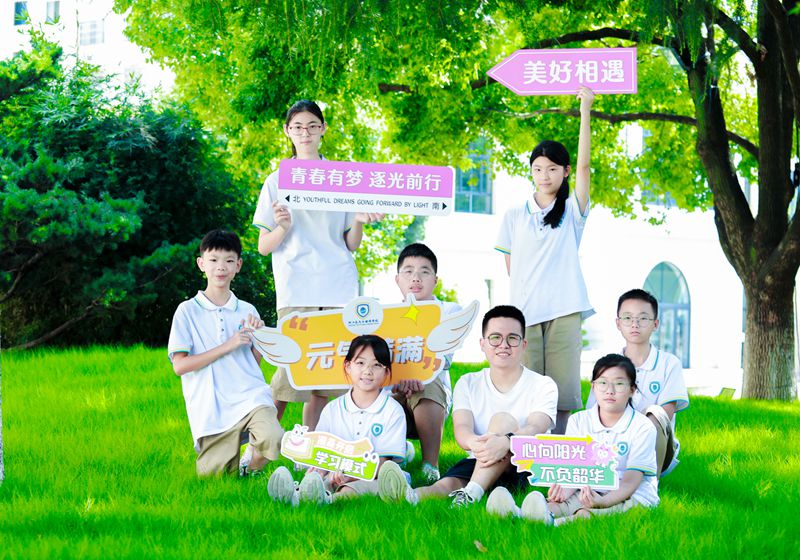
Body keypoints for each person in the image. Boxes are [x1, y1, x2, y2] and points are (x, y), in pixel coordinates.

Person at [252, 99, 383, 430]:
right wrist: (283, 227)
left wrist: (359, 219)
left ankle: (312, 450)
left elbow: (351, 243)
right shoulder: (276, 181)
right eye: (297, 127)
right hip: (297, 286)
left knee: (326, 378)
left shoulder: (343, 179)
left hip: (338, 285)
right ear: (287, 131)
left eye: (312, 125)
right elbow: (263, 246)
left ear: (323, 129)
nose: (305, 133)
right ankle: (259, 447)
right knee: (288, 374)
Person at [377, 305, 557, 507]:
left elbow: (536, 427)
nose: (503, 345)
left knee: (503, 420)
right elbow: (462, 430)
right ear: (482, 344)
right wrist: (478, 445)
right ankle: (410, 496)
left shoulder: (543, 384)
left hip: (521, 463)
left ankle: (470, 494)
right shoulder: (468, 382)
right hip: (479, 457)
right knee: (445, 485)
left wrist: (506, 442)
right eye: (495, 338)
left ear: (523, 344)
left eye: (512, 338)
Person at [495, 86, 595, 434]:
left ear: (564, 172)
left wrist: (586, 110)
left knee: (563, 391)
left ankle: (561, 449)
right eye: (537, 169)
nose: (544, 175)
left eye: (552, 169)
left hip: (565, 310)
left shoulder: (571, 210)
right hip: (525, 314)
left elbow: (585, 167)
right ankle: (530, 452)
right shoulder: (514, 215)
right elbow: (511, 268)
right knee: (530, 390)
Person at [167, 230, 283, 476]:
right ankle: (234, 469)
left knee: (273, 438)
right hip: (211, 408)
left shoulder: (248, 310)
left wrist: (258, 339)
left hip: (250, 397)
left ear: (238, 265)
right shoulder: (187, 311)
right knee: (216, 480)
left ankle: (249, 468)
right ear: (201, 264)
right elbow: (180, 366)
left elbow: (252, 364)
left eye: (229, 260)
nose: (221, 267)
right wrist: (228, 345)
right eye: (213, 260)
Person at [491, 354, 659, 524]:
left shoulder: (643, 427)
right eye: (602, 383)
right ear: (593, 387)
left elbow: (631, 481)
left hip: (632, 494)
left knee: (585, 514)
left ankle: (552, 524)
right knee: (556, 506)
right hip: (589, 489)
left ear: (632, 390)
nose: (610, 390)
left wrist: (603, 502)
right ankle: (515, 514)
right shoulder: (578, 421)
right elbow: (574, 470)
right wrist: (563, 491)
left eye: (619, 384)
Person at [267, 335, 407, 505]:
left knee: (349, 489)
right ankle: (294, 495)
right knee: (319, 481)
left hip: (374, 477)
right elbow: (320, 451)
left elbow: (383, 464)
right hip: (334, 473)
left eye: (377, 365)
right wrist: (318, 470)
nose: (367, 371)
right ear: (348, 366)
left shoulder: (392, 411)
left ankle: (326, 501)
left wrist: (350, 476)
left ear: (386, 372)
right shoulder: (333, 409)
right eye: (360, 363)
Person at [586, 289, 689, 476]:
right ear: (618, 323)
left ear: (655, 324)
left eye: (643, 318)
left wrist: (632, 430)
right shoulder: (607, 365)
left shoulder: (668, 363)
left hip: (654, 447)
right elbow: (592, 412)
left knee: (656, 412)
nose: (635, 324)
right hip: (610, 445)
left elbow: (665, 414)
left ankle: (648, 484)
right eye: (627, 318)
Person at [391, 243, 461, 483]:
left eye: (424, 271)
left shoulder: (448, 311)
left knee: (426, 384)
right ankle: (392, 456)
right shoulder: (386, 315)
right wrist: (396, 384)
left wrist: (416, 375)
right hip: (394, 392)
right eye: (408, 271)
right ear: (397, 279)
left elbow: (444, 359)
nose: (416, 278)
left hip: (430, 394)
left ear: (435, 280)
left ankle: (430, 466)